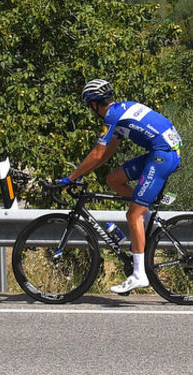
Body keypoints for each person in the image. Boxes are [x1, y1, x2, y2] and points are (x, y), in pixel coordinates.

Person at [59, 79, 183, 293]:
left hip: (164, 155)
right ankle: (144, 215)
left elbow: (98, 153)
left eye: (90, 106)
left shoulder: (112, 116)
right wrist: (84, 172)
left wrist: (71, 178)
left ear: (94, 104)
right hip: (163, 150)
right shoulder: (120, 112)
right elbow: (106, 153)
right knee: (113, 179)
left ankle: (139, 275)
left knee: (132, 215)